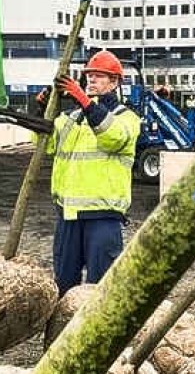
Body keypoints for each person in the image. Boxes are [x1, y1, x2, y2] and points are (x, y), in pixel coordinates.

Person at [41, 50, 140, 293]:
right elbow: (45, 144)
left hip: (103, 216)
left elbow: (113, 138)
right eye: (89, 76)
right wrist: (43, 109)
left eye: (99, 76)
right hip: (68, 216)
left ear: (114, 82)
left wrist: (85, 102)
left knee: (100, 288)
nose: (91, 80)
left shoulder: (127, 118)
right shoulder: (72, 118)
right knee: (63, 285)